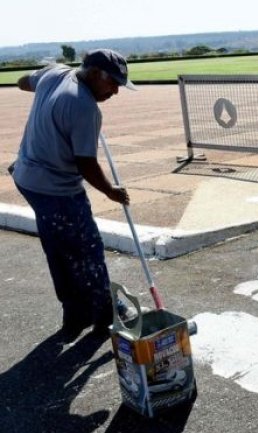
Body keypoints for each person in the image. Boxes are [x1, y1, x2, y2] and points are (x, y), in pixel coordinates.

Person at [11, 48, 136, 341]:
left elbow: (21, 82)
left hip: (27, 178)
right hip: (55, 189)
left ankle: (75, 313)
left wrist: (48, 97)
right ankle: (106, 312)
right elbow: (86, 164)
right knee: (86, 249)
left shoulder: (56, 72)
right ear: (94, 74)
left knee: (58, 246)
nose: (115, 91)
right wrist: (111, 191)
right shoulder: (85, 108)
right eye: (112, 83)